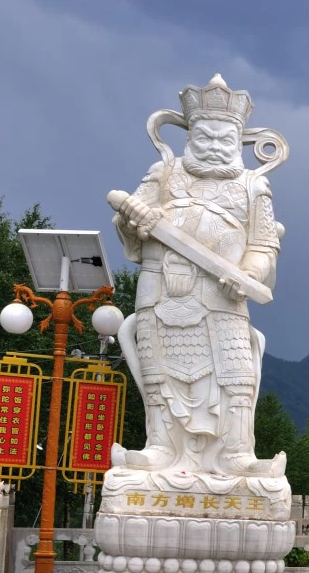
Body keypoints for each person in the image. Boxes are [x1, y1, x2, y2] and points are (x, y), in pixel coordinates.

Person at [111, 75, 284, 476]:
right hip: (162, 286)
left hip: (223, 295)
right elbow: (129, 219)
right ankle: (160, 446)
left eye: (225, 140)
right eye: (204, 138)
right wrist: (135, 219)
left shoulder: (253, 186)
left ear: (240, 141)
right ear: (188, 136)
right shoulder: (165, 172)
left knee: (234, 371)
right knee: (162, 369)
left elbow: (263, 245)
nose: (213, 147)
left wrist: (248, 272)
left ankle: (236, 451)